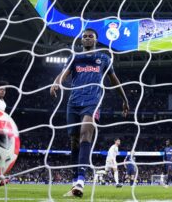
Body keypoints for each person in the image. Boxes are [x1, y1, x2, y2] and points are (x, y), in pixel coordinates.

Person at [50, 28, 129, 197]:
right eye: (84, 36)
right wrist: (56, 83)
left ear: (95, 40)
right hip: (73, 103)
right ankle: (74, 182)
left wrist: (125, 99)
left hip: (93, 102)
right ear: (81, 40)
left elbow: (114, 80)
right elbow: (63, 75)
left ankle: (81, 180)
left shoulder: (103, 59)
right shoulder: (75, 58)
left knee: (85, 133)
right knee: (74, 142)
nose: (87, 38)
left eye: (90, 36)